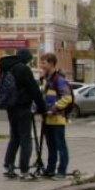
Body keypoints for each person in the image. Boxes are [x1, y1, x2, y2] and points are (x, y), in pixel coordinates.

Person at [0, 48, 47, 180]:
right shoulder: (23, 69)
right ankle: (24, 169)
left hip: (10, 107)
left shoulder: (6, 68)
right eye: (30, 59)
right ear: (26, 58)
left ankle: (9, 166)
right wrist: (42, 108)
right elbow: (34, 89)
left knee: (14, 137)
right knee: (26, 138)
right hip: (23, 108)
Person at [39, 52, 73, 180]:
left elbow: (67, 98)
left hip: (57, 119)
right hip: (47, 119)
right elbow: (44, 97)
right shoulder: (46, 79)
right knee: (51, 146)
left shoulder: (59, 79)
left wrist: (53, 109)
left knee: (60, 146)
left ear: (51, 63)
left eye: (43, 62)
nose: (41, 65)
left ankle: (62, 171)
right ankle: (50, 169)